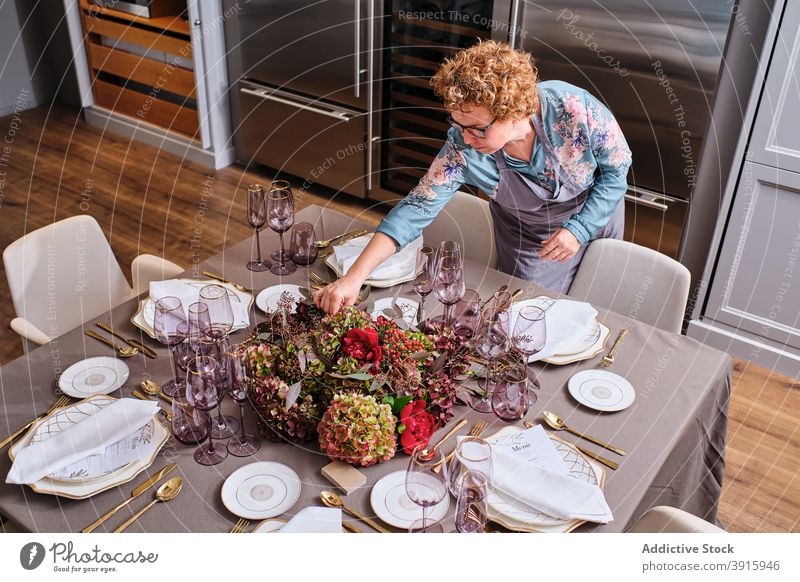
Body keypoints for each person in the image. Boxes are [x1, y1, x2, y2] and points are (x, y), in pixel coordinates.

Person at [314, 40, 631, 314]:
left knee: (598, 301)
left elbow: (617, 172)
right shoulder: (461, 149)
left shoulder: (574, 109)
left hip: (598, 213)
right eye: (457, 123)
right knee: (527, 314)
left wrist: (579, 229)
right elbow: (415, 210)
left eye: (476, 128)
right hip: (530, 239)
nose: (465, 138)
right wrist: (352, 278)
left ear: (514, 112)